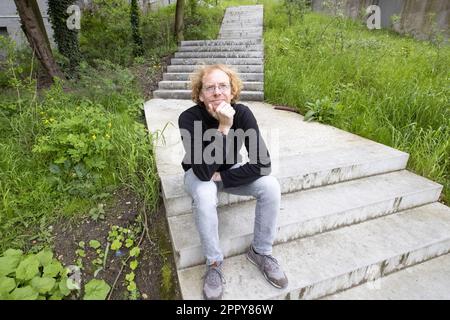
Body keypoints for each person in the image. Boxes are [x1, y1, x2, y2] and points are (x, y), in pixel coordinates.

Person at [178, 64, 288, 300]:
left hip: (228, 173)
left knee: (270, 185)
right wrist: (224, 127)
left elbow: (263, 163)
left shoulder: (244, 113)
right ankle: (215, 263)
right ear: (200, 94)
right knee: (206, 193)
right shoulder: (188, 118)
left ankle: (260, 251)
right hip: (198, 176)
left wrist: (225, 177)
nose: (217, 92)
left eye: (223, 86)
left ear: (232, 91)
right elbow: (203, 171)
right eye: (210, 88)